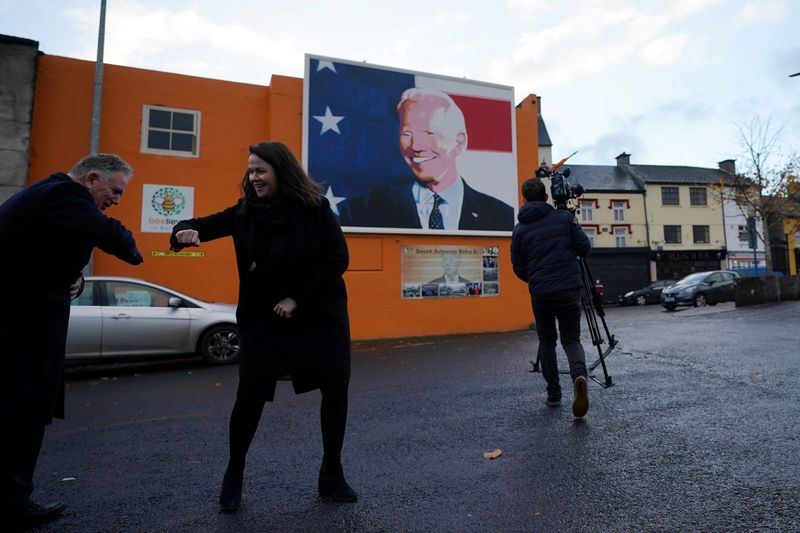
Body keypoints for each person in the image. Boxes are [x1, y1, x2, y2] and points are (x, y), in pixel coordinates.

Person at [170, 141, 356, 512]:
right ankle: (234, 472)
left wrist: (297, 298)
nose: (253, 177)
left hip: (319, 314)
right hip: (263, 318)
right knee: (250, 395)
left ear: (281, 172)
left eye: (260, 170)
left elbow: (338, 259)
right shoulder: (244, 213)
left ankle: (332, 473)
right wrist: (182, 231)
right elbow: (200, 225)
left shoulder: (314, 209)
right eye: (251, 171)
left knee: (335, 390)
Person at [0, 154, 143, 527]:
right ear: (91, 178)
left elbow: (41, 251)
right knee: (25, 413)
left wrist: (73, 276)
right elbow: (117, 238)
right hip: (24, 331)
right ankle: (14, 502)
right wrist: (131, 245)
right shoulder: (63, 195)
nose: (115, 200)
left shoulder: (46, 196)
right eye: (114, 191)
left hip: (23, 324)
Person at [338, 87, 514, 231]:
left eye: (430, 133)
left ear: (459, 142)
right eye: (407, 133)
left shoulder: (502, 216)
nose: (416, 146)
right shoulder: (361, 211)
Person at [510, 177, 592, 417]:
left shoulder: (520, 229)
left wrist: (536, 278)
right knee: (571, 339)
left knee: (547, 341)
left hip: (540, 292)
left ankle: (553, 394)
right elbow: (584, 248)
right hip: (568, 288)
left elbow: (518, 266)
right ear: (546, 197)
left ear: (524, 199)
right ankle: (579, 376)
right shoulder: (564, 218)